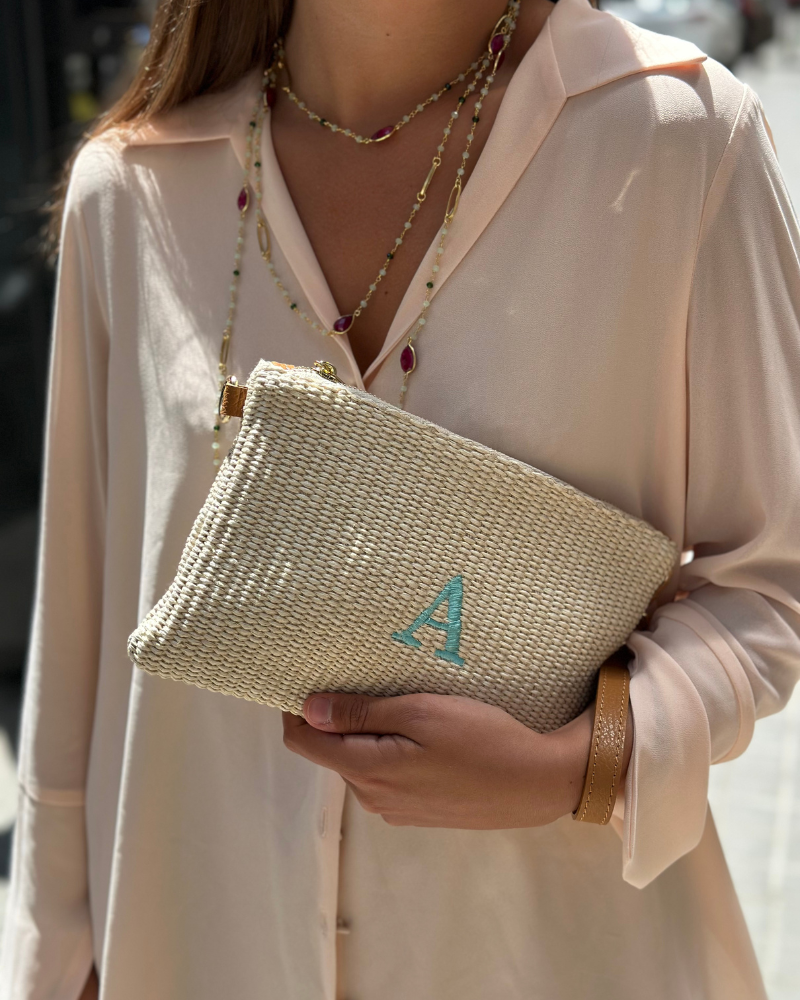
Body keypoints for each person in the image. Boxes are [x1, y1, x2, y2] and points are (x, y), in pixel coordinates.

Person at [1, 0, 799, 996]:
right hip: (197, 939)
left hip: (548, 953)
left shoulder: (675, 142)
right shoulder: (131, 195)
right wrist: (53, 959)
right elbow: (76, 638)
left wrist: (576, 764)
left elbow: (765, 587)